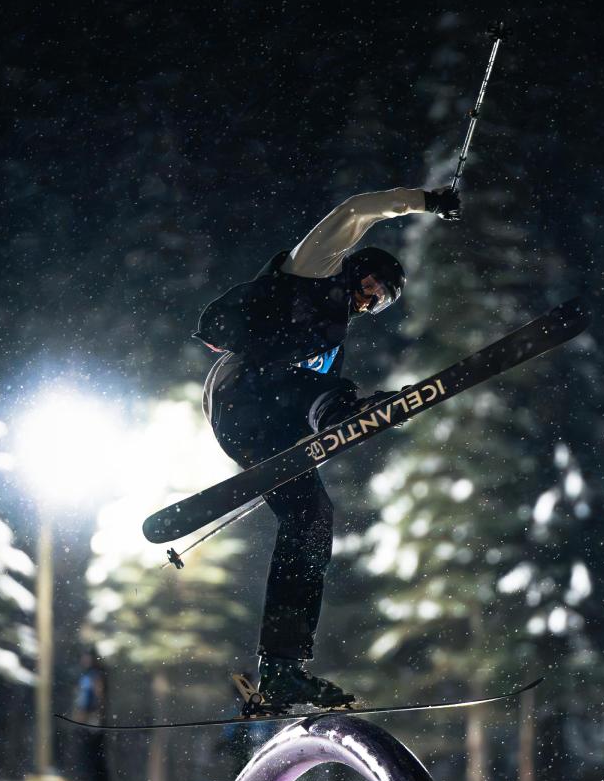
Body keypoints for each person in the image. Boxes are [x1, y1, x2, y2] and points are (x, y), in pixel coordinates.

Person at [196, 184, 462, 715]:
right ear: (358, 267)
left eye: (381, 303)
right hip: (242, 391)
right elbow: (355, 210)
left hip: (262, 431)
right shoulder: (315, 268)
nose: (370, 302)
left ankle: (282, 669)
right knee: (323, 393)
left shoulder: (331, 339)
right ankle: (344, 409)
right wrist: (425, 201)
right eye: (373, 288)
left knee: (313, 517)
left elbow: (307, 400)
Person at [71, 644, 112, 781]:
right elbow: (81, 699)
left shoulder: (96, 675)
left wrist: (96, 715)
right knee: (86, 750)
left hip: (93, 718)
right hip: (85, 718)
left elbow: (98, 697)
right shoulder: (85, 675)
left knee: (95, 751)